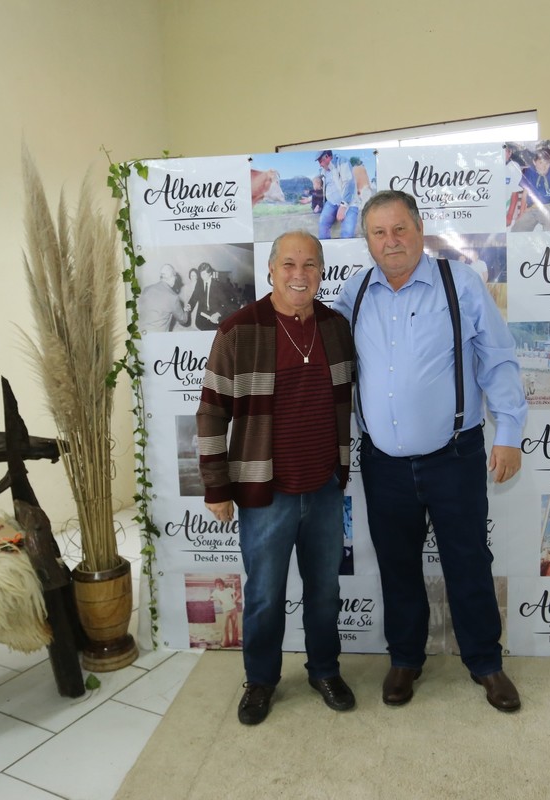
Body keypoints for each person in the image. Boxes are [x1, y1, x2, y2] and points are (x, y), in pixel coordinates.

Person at [333, 190, 528, 713]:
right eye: (379, 232)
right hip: (383, 464)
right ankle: (405, 659)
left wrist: (509, 431)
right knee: (396, 566)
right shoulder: (354, 294)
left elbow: (498, 359)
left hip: (455, 457)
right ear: (367, 241)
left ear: (420, 230)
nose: (391, 241)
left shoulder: (460, 283)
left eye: (400, 229)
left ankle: (485, 662)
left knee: (469, 561)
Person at [197, 230, 357, 725]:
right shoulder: (239, 330)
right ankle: (261, 680)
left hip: (325, 488)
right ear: (270, 270)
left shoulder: (335, 327)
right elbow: (211, 413)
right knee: (265, 596)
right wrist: (217, 487)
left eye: (310, 265)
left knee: (325, 592)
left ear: (322, 271)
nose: (299, 274)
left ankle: (324, 670)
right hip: (264, 494)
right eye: (289, 264)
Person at [511, 147, 550, 232]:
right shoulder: (529, 172)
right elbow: (525, 194)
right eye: (540, 163)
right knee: (518, 227)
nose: (544, 166)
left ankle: (549, 240)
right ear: (534, 162)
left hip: (548, 206)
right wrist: (521, 213)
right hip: (532, 208)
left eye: (547, 163)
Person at [137, 263, 191, 333]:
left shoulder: (146, 289)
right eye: (175, 277)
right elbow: (183, 320)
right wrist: (186, 311)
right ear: (172, 277)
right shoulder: (173, 297)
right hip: (158, 335)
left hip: (141, 332)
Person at [316, 150, 358, 239]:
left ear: (327, 157)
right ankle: (324, 246)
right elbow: (320, 186)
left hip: (349, 203)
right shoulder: (323, 171)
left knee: (347, 232)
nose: (320, 164)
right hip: (331, 203)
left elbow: (349, 183)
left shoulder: (342, 162)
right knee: (322, 223)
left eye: (320, 161)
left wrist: (343, 206)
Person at [188, 262, 239, 330]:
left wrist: (218, 314)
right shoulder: (199, 283)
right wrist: (189, 305)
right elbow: (194, 297)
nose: (202, 276)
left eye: (204, 273)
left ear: (209, 273)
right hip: (201, 317)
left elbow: (226, 304)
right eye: (200, 274)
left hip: (215, 317)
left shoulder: (218, 285)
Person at [211, 577, 241, 648]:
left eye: (220, 584)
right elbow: (211, 598)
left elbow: (238, 594)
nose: (219, 586)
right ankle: (225, 643)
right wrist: (218, 599)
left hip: (233, 609)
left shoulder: (229, 589)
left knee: (235, 626)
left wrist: (234, 600)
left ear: (223, 584)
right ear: (215, 586)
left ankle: (235, 642)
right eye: (217, 585)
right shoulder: (216, 592)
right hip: (225, 611)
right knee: (225, 627)